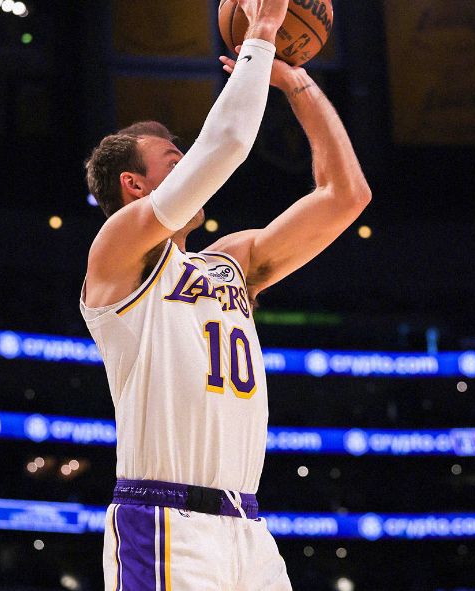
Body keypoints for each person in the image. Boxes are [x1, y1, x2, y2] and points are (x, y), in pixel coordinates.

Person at [80, 0, 371, 588]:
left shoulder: (231, 263)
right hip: (163, 521)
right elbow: (227, 146)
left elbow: (346, 196)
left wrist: (296, 83)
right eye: (175, 160)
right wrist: (261, 31)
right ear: (133, 184)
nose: (191, 166)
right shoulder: (118, 252)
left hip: (248, 529)